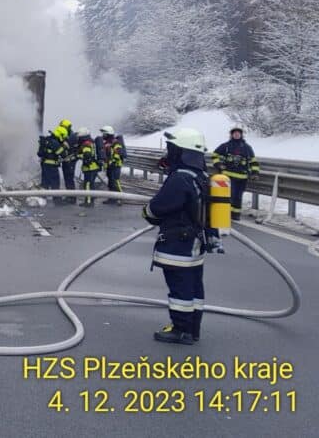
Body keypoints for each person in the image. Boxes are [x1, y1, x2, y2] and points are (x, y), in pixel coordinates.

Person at [141, 127, 215, 345]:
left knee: (179, 288)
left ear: (181, 151)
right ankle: (193, 329)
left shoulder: (180, 179)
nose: (169, 152)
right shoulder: (201, 176)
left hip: (178, 245)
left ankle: (181, 330)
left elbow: (158, 208)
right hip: (195, 243)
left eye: (172, 148)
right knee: (194, 287)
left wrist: (147, 212)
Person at [211, 127, 260, 221]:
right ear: (231, 135)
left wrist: (255, 173)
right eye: (235, 133)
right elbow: (214, 155)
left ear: (241, 135)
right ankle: (227, 213)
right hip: (228, 176)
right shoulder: (226, 146)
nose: (236, 135)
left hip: (242, 177)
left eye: (238, 133)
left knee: (238, 196)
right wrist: (218, 164)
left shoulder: (247, 147)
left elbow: (253, 161)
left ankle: (236, 214)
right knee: (231, 195)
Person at [99, 126, 126, 205]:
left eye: (104, 133)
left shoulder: (115, 142)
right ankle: (112, 198)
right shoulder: (107, 143)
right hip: (109, 166)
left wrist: (112, 161)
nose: (103, 135)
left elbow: (118, 153)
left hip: (115, 165)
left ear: (108, 133)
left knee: (116, 181)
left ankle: (121, 198)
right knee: (110, 183)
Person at [37, 126, 68, 195]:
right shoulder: (55, 142)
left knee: (45, 183)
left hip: (44, 165)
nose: (63, 139)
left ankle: (43, 199)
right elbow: (63, 154)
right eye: (63, 137)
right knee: (55, 183)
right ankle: (57, 201)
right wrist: (64, 146)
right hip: (52, 166)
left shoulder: (47, 140)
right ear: (60, 135)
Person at [77, 129, 102, 210]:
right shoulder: (91, 142)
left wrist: (78, 156)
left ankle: (88, 202)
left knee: (87, 184)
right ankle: (91, 199)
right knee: (91, 184)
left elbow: (87, 155)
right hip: (94, 166)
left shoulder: (86, 144)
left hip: (90, 167)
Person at [58, 119, 77, 204]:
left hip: (70, 161)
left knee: (69, 178)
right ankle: (70, 196)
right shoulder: (68, 135)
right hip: (67, 161)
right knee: (67, 178)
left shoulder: (71, 137)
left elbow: (66, 147)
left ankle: (72, 198)